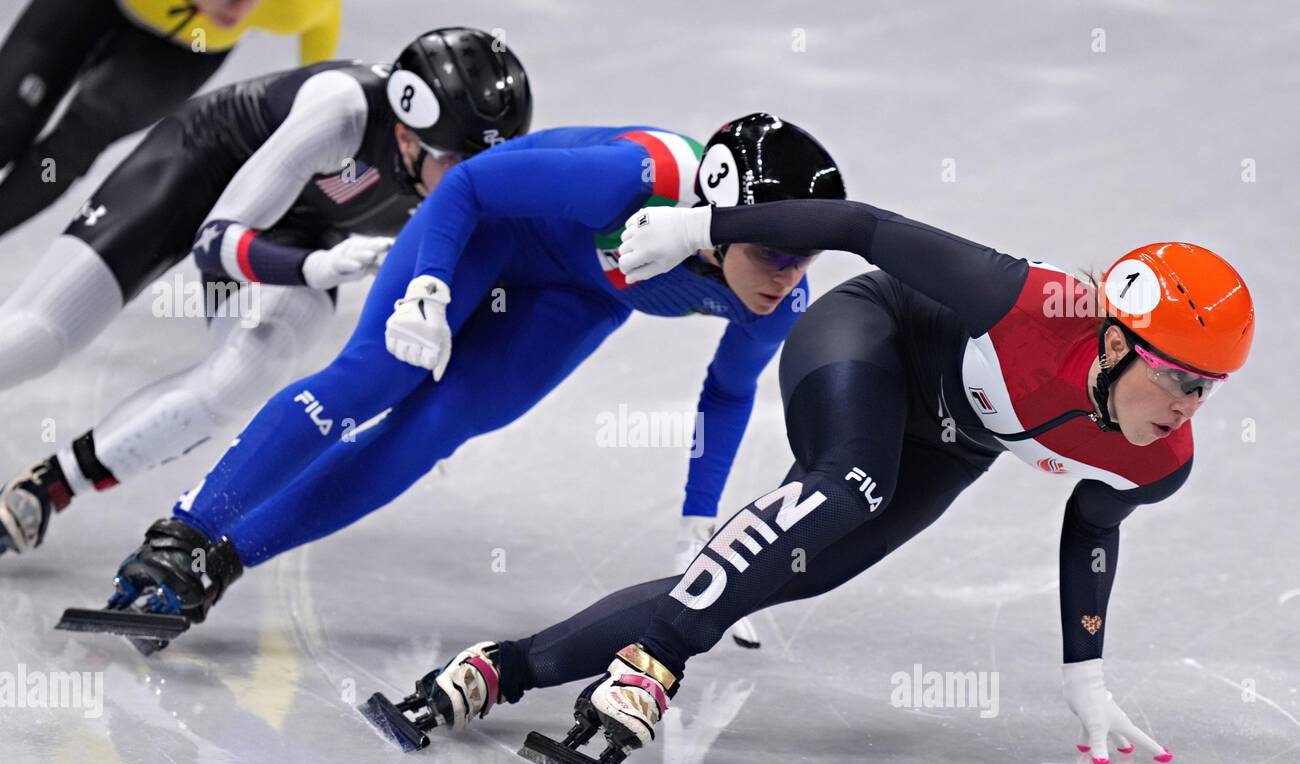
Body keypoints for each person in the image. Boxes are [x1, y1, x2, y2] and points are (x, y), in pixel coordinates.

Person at [367, 200, 1254, 764]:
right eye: (1177, 377)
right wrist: (702, 229)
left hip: (953, 438)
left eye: (1207, 388)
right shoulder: (1024, 302)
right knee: (851, 486)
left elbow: (1094, 522)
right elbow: (862, 226)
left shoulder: (1159, 460)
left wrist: (1084, 668)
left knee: (797, 570)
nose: (1187, 406)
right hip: (870, 337)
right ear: (1109, 343)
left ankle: (497, 669)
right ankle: (656, 661)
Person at [84, 114, 846, 642]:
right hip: (487, 228)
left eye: (805, 257)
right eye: (775, 254)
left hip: (578, 294)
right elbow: (469, 187)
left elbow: (729, 389)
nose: (787, 277)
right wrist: (430, 287)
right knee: (379, 374)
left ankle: (221, 562)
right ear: (717, 218)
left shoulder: (777, 302)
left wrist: (697, 517)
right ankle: (184, 531)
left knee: (434, 428)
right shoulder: (631, 178)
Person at [0, 28, 533, 556]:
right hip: (199, 168)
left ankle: (51, 485)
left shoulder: (461, 172)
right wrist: (317, 265)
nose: (474, 181)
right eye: (456, 163)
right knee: (39, 336)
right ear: (404, 137)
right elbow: (216, 241)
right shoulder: (343, 110)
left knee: (247, 370)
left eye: (489, 163)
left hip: (302, 227)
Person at [0, 0, 343, 237]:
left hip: (185, 50)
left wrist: (310, 109)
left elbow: (320, 48)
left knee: (75, 143)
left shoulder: (298, 7)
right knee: (7, 115)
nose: (241, 10)